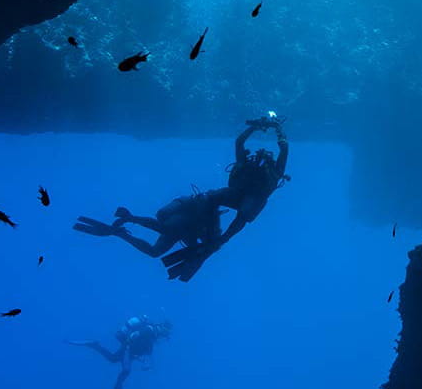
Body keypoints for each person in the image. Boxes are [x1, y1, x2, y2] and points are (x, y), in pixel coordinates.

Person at [73, 114, 289, 281]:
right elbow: (276, 147)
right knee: (171, 229)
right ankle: (130, 220)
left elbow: (241, 143)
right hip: (193, 213)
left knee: (155, 251)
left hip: (200, 218)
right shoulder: (265, 179)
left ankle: (120, 233)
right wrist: (275, 127)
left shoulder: (253, 176)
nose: (260, 159)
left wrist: (259, 126)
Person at [67, 315, 173, 389]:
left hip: (130, 352)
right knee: (125, 371)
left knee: (112, 359)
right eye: (166, 332)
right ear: (163, 328)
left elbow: (145, 348)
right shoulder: (149, 330)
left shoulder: (153, 335)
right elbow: (135, 336)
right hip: (128, 350)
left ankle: (94, 345)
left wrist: (141, 359)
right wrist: (128, 349)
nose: (166, 335)